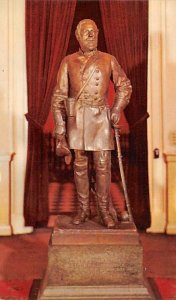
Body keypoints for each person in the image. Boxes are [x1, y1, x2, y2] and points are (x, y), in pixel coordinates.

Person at [51, 19, 132, 228]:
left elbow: (125, 86)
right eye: (86, 32)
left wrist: (116, 110)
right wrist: (60, 127)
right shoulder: (68, 61)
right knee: (79, 165)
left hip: (100, 117)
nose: (90, 36)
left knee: (103, 165)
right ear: (77, 36)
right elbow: (59, 96)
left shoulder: (108, 59)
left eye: (93, 32)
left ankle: (105, 211)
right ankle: (84, 209)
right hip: (77, 118)